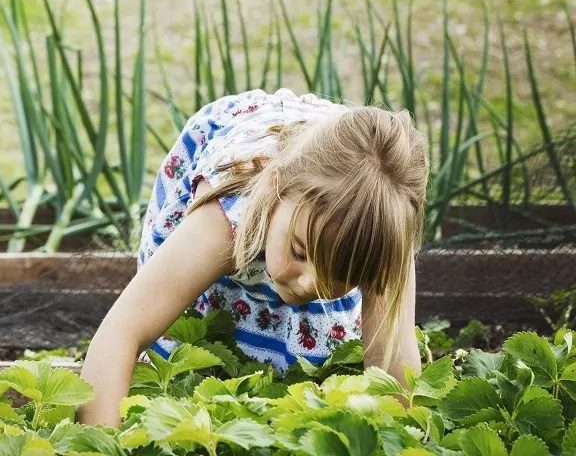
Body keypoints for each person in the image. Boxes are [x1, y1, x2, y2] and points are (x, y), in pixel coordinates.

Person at [79, 88, 426, 426]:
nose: (311, 283)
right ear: (277, 188)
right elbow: (122, 331)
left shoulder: (382, 226)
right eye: (300, 253)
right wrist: (102, 442)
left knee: (321, 349)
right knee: (188, 338)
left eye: (341, 273)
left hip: (352, 180)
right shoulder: (225, 217)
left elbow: (393, 367)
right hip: (247, 172)